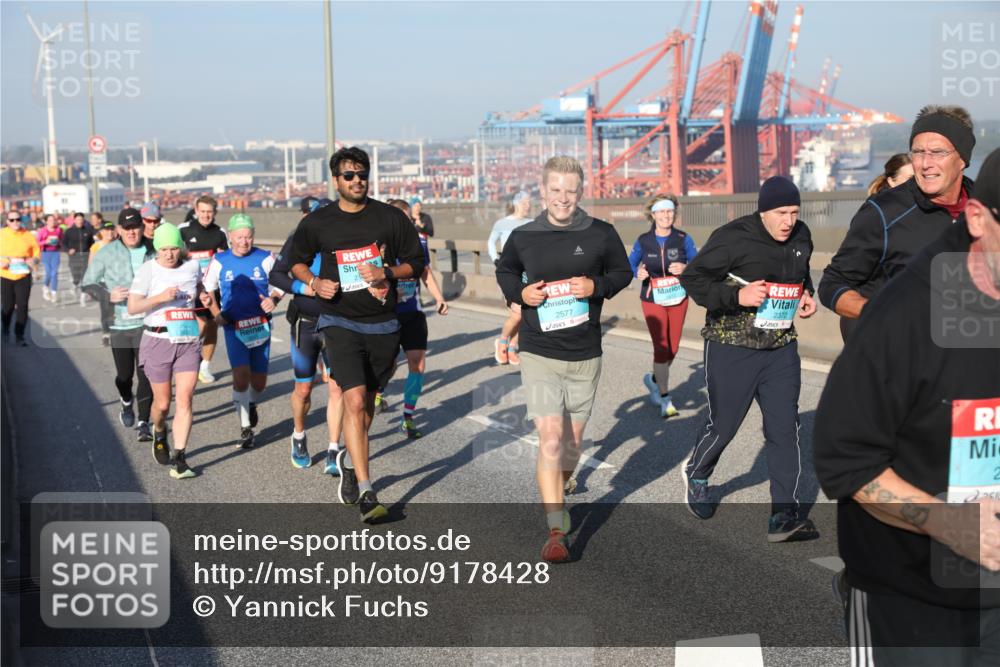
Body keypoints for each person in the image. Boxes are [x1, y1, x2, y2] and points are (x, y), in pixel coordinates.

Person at [814, 148, 1000, 665]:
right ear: (979, 220)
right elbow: (845, 462)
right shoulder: (905, 318)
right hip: (911, 596)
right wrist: (949, 523)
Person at [496, 156, 633, 563]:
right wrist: (521, 295)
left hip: (585, 352)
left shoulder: (601, 234)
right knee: (551, 439)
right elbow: (505, 271)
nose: (563, 198)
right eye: (555, 190)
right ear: (543, 191)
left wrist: (596, 285)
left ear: (581, 192)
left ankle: (562, 484)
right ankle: (557, 530)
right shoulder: (524, 235)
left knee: (571, 448)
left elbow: (622, 273)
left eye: (570, 191)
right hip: (539, 350)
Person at [678, 176, 819, 542]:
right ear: (763, 211)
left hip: (780, 347)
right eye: (780, 213)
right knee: (724, 425)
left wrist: (807, 295)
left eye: (793, 212)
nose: (788, 221)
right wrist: (737, 297)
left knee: (785, 428)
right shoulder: (733, 237)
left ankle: (783, 515)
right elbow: (694, 280)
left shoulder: (801, 236)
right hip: (732, 346)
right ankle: (697, 473)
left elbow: (801, 273)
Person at [288, 146, 426, 523]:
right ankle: (368, 491)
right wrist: (315, 282)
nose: (357, 180)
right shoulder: (320, 222)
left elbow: (417, 262)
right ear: (336, 181)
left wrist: (388, 274)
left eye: (362, 174)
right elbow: (294, 262)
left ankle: (350, 458)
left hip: (384, 324)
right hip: (339, 322)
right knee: (352, 401)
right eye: (349, 175)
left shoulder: (389, 219)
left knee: (366, 406)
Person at [819, 105, 976, 343]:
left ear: (963, 159)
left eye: (937, 152)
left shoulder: (985, 207)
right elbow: (832, 284)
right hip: (897, 362)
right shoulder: (883, 212)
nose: (925, 163)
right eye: (918, 152)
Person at [269, 196, 345, 472]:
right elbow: (276, 276)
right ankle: (299, 435)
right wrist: (305, 288)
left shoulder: (345, 242)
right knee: (304, 388)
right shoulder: (299, 239)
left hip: (338, 323)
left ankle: (333, 450)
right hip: (306, 323)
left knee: (338, 388)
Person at [128, 222, 205, 479]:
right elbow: (132, 307)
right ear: (157, 249)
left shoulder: (193, 267)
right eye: (164, 250)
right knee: (162, 404)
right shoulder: (147, 270)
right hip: (157, 340)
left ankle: (180, 458)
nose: (170, 254)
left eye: (174, 249)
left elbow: (201, 288)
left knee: (185, 399)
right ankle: (159, 431)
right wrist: (160, 298)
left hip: (187, 340)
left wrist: (204, 298)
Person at [202, 214, 284, 450]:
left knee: (259, 383)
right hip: (234, 327)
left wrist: (274, 299)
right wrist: (217, 314)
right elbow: (207, 291)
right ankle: (245, 427)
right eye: (239, 237)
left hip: (260, 327)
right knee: (240, 375)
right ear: (230, 236)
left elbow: (282, 282)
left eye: (248, 237)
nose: (244, 242)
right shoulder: (219, 260)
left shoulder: (265, 258)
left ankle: (250, 403)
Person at [83, 207, 155, 441]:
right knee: (124, 376)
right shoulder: (107, 253)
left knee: (146, 374)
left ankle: (144, 422)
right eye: (127, 228)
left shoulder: (154, 251)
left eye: (135, 227)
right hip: (120, 324)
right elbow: (88, 283)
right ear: (119, 230)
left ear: (142, 227)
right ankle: (126, 401)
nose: (132, 232)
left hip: (149, 322)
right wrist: (108, 295)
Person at [380, 198, 449, 439]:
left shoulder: (418, 242)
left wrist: (439, 298)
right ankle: (378, 390)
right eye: (402, 217)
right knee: (386, 365)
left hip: (413, 313)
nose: (407, 221)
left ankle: (408, 416)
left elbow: (425, 273)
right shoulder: (378, 245)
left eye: (408, 217)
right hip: (386, 315)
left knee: (417, 364)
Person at [629, 194, 698, 418]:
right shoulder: (643, 241)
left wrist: (685, 267)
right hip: (652, 298)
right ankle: (665, 398)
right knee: (661, 347)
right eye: (662, 211)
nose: (667, 215)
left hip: (678, 297)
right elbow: (629, 264)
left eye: (670, 211)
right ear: (653, 214)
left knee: (673, 348)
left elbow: (698, 263)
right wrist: (637, 272)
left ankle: (654, 380)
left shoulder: (683, 239)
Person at [178, 195, 229, 384]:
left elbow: (225, 260)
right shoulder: (183, 231)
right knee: (200, 326)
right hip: (189, 289)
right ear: (196, 211)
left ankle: (204, 366)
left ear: (214, 213)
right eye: (203, 211)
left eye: (210, 212)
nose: (206, 215)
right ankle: (184, 358)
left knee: (213, 324)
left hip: (212, 289)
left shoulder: (220, 233)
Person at [488, 190, 532, 365]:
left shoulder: (532, 223)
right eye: (525, 202)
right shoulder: (502, 223)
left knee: (525, 313)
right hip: (510, 272)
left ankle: (513, 346)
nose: (528, 205)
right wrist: (496, 260)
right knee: (517, 313)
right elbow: (491, 242)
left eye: (529, 202)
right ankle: (503, 340)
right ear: (516, 203)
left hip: (527, 272)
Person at [1, 209, 41, 346]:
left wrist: (34, 261)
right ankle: (5, 328)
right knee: (8, 306)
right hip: (6, 275)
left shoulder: (28, 235)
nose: (15, 222)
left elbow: (36, 252)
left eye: (18, 219)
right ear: (7, 222)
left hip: (23, 274)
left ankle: (20, 335)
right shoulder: (2, 234)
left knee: (23, 305)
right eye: (12, 220)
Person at [90, 219, 119, 346]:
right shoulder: (96, 246)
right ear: (101, 232)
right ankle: (106, 333)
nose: (109, 232)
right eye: (106, 230)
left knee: (116, 310)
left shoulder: (120, 245)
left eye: (112, 229)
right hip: (102, 283)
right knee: (105, 309)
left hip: (117, 282)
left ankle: (115, 333)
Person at [63, 211, 95, 306]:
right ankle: (74, 286)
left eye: (81, 219)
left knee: (84, 278)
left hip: (85, 256)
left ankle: (82, 298)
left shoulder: (88, 230)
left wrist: (92, 253)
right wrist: (68, 250)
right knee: (76, 278)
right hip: (74, 257)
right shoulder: (69, 231)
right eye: (78, 219)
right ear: (74, 220)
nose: (79, 221)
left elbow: (92, 244)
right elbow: (63, 244)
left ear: (83, 220)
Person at [36, 214, 63, 302]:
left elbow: (62, 241)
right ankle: (45, 286)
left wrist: (59, 242)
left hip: (56, 253)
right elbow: (37, 243)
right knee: (48, 272)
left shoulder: (59, 230)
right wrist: (45, 241)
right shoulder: (42, 231)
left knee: (54, 273)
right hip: (45, 253)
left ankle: (54, 293)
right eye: (50, 220)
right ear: (46, 221)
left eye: (54, 220)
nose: (52, 222)